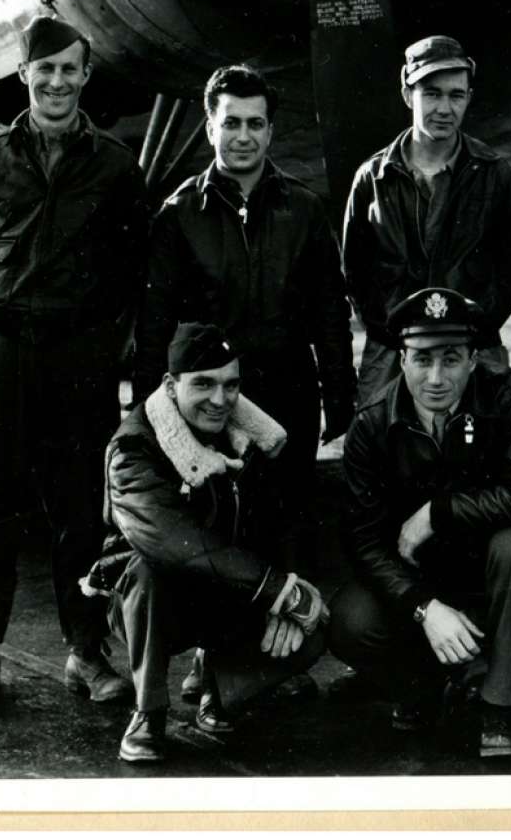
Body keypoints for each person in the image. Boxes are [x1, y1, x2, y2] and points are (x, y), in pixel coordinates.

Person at [0, 16, 145, 709]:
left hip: (78, 347)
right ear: (23, 76)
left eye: (69, 69)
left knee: (79, 506)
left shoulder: (114, 165)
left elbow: (129, 267)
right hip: (1, 340)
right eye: (43, 69)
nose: (56, 82)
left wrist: (99, 339)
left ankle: (85, 652)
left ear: (85, 76)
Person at [136, 64, 356, 592]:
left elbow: (330, 308)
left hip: (289, 389)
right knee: (218, 524)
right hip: (215, 399)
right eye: (231, 123)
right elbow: (156, 319)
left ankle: (283, 658)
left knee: (288, 522)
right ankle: (212, 661)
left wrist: (339, 389)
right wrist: (149, 404)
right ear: (210, 127)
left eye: (255, 124)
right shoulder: (178, 214)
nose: (242, 137)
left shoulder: (302, 209)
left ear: (270, 131)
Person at [328, 288, 511, 762]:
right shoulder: (372, 424)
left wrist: (439, 512)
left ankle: (498, 706)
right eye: (422, 359)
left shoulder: (506, 395)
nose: (436, 377)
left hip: (483, 576)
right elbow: (365, 543)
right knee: (350, 619)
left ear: (474, 360)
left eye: (451, 359)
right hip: (415, 585)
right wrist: (424, 608)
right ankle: (423, 686)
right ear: (401, 359)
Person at [90, 323, 331, 764]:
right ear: (170, 384)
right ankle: (149, 712)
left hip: (230, 586)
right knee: (144, 571)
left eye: (230, 385)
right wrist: (276, 589)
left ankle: (219, 690)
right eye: (203, 384)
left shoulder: (253, 435)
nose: (220, 400)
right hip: (156, 599)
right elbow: (169, 541)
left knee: (314, 629)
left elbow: (284, 521)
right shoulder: (133, 445)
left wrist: (295, 587)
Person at [341, 36, 511, 409]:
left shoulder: (495, 175)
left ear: (468, 98)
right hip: (393, 346)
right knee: (374, 440)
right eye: (431, 93)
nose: (444, 108)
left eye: (455, 95)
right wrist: (389, 333)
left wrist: (476, 326)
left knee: (488, 441)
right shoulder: (372, 177)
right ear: (408, 94)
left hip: (471, 342)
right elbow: (355, 270)